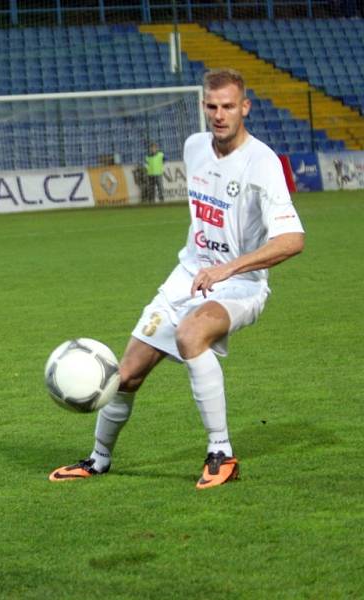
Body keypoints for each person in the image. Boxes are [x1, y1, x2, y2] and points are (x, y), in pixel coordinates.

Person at [49, 69, 305, 489]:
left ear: (245, 108)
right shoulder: (193, 147)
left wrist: (228, 267)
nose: (219, 115)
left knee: (191, 335)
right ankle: (98, 460)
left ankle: (221, 453)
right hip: (186, 275)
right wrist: (206, 263)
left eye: (228, 106)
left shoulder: (264, 164)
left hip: (241, 284)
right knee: (124, 375)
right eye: (211, 106)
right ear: (203, 106)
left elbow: (293, 240)